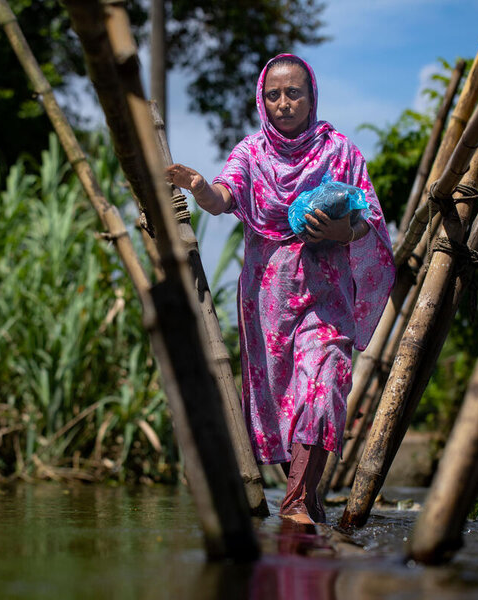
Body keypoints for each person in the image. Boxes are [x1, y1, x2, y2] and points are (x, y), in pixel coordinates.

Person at [166, 54, 394, 524]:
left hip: (327, 298)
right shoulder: (250, 153)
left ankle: (292, 506)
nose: (284, 103)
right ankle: (304, 506)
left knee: (324, 380)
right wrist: (199, 188)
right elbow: (223, 197)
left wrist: (337, 232)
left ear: (312, 97)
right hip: (267, 301)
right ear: (262, 101)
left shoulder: (341, 151)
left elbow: (367, 217)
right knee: (283, 400)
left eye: (294, 93)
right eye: (274, 95)